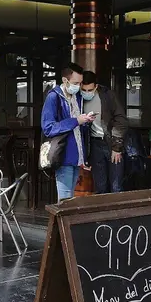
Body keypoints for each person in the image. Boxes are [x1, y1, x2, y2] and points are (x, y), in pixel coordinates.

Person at [41, 63, 96, 201]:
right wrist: (76, 120)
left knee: (70, 199)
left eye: (80, 82)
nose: (78, 86)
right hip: (63, 155)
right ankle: (60, 223)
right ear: (65, 80)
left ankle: (60, 223)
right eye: (75, 83)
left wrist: (85, 120)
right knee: (65, 199)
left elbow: (78, 125)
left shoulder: (76, 97)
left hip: (77, 156)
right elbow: (48, 127)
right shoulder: (54, 97)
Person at [80, 71, 127, 194]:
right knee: (100, 187)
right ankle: (103, 213)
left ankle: (116, 213)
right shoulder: (78, 98)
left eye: (90, 90)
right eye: (84, 90)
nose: (86, 93)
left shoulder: (107, 95)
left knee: (116, 185)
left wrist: (117, 147)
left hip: (111, 142)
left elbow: (120, 119)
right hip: (94, 144)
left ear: (95, 86)